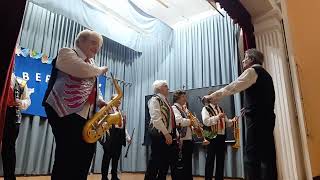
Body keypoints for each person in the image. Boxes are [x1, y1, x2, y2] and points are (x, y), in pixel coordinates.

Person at [42, 29, 108, 180]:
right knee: (66, 155)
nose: (97, 48)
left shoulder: (91, 64)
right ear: (80, 41)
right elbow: (79, 69)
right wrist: (99, 70)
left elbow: (93, 88)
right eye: (93, 43)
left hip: (86, 117)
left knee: (85, 155)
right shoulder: (67, 53)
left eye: (99, 45)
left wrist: (100, 101)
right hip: (64, 112)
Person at [203, 48, 277, 180]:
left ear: (252, 60)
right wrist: (248, 107)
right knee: (267, 155)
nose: (243, 60)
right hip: (267, 118)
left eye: (245, 57)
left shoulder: (252, 71)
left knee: (251, 156)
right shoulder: (267, 75)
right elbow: (265, 99)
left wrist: (212, 97)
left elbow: (233, 87)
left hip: (256, 121)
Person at [144, 80, 178, 180]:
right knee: (155, 162)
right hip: (159, 135)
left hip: (167, 134)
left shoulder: (165, 101)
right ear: (159, 88)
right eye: (166, 86)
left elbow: (171, 120)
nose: (168, 88)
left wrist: (173, 133)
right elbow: (156, 119)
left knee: (164, 163)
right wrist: (167, 134)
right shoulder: (154, 100)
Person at [201, 90, 236, 180]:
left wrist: (232, 121)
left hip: (221, 137)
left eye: (217, 96)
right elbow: (206, 122)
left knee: (221, 160)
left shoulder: (220, 109)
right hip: (211, 137)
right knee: (210, 160)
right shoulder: (206, 109)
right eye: (215, 96)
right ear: (210, 99)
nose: (217, 98)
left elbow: (227, 123)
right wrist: (217, 117)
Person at [2, 73, 31, 180]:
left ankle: (9, 177)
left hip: (12, 116)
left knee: (9, 148)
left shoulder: (21, 82)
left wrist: (21, 102)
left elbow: (27, 100)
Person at [99, 94, 131, 180]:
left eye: (120, 99)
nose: (119, 101)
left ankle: (114, 176)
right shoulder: (107, 110)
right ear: (112, 100)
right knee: (107, 157)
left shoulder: (121, 112)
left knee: (116, 157)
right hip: (110, 135)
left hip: (119, 135)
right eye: (117, 99)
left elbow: (123, 126)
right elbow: (101, 122)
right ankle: (104, 177)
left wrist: (127, 137)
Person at [171, 90, 193, 180]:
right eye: (183, 97)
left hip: (187, 139)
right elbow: (178, 121)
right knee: (181, 166)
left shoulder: (184, 109)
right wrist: (191, 121)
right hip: (181, 140)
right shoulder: (174, 108)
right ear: (177, 98)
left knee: (187, 165)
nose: (185, 98)